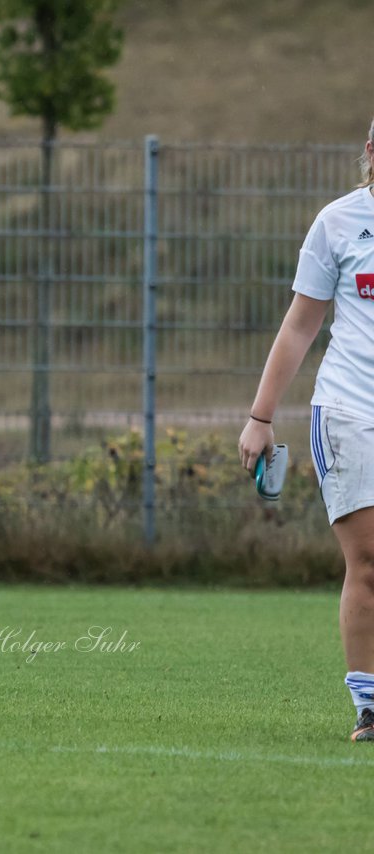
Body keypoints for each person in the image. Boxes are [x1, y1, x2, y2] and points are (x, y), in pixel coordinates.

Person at [239, 118, 374, 742]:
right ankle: (370, 708)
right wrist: (261, 416)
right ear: (371, 152)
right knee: (369, 561)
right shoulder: (339, 222)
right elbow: (299, 325)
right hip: (350, 411)